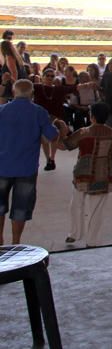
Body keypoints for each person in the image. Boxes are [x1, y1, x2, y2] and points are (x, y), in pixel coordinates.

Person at [59, 102, 112, 247]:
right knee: (96, 210)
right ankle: (92, 241)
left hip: (82, 175)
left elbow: (63, 146)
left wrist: (60, 134)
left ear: (91, 116)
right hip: (103, 176)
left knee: (76, 205)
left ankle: (74, 234)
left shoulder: (83, 133)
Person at [0, 80, 63, 245]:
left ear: (14, 92)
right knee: (21, 207)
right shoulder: (38, 112)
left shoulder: (1, 111)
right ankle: (15, 242)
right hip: (26, 168)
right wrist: (58, 128)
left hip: (2, 165)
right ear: (32, 93)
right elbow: (52, 136)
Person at [33, 67, 80, 171]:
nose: (50, 77)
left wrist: (86, 84)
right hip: (40, 118)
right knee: (44, 140)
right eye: (47, 75)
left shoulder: (58, 89)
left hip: (55, 118)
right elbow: (22, 86)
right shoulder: (36, 87)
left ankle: (52, 158)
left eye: (52, 76)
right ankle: (48, 160)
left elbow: (74, 88)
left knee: (54, 136)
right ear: (43, 77)